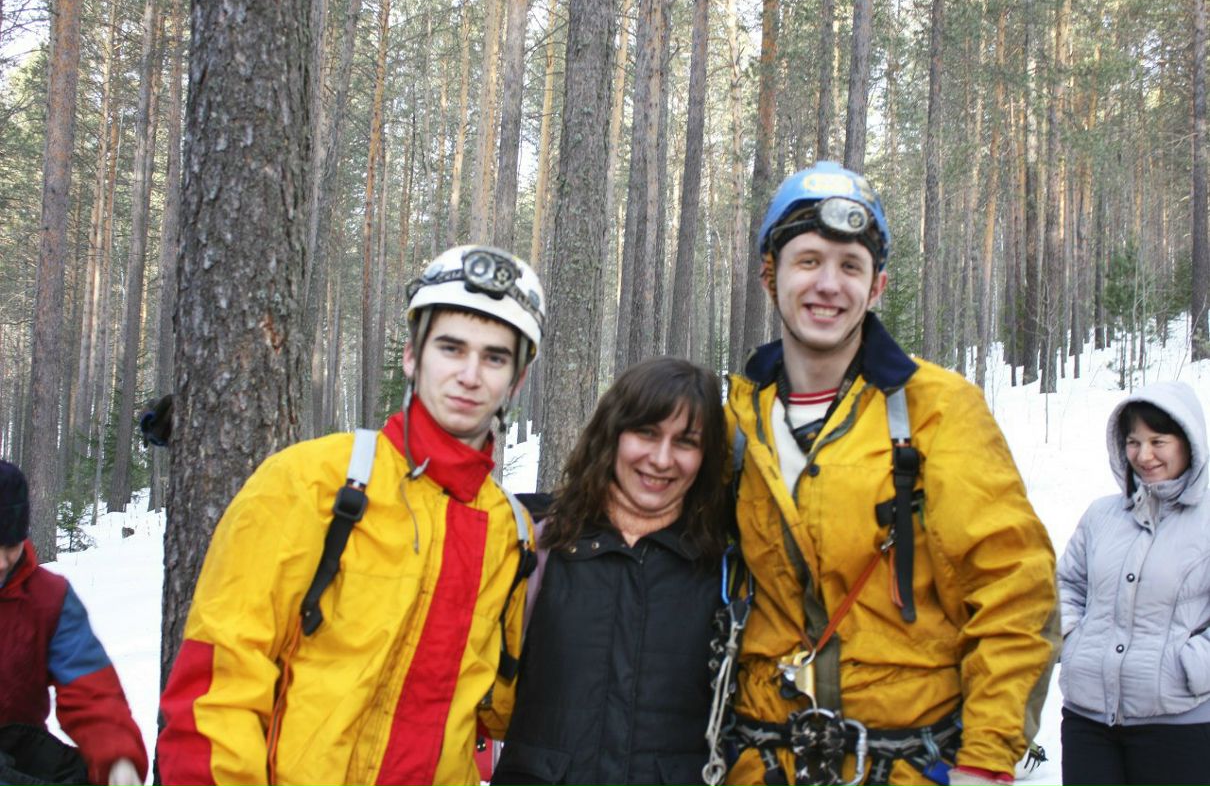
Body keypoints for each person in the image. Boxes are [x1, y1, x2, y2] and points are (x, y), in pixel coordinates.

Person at [157, 245, 545, 786]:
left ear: (516, 381)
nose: (470, 375)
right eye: (451, 348)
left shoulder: (512, 531)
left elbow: (498, 706)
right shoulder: (308, 481)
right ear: (413, 355)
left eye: (495, 357)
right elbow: (217, 685)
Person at [724, 161, 1059, 786]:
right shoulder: (738, 423)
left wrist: (986, 761)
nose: (829, 284)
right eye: (808, 261)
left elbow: (1015, 589)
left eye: (850, 266)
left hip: (903, 764)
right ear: (770, 276)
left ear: (877, 286)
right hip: (760, 762)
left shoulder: (936, 409)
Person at [490, 357, 731, 786]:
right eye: (647, 432)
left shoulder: (723, 570)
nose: (661, 459)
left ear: (707, 455)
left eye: (686, 442)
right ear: (613, 433)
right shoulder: (534, 544)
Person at [1057, 381, 1210, 786]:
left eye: (1158, 440)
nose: (1144, 455)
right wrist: (1073, 637)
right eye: (1133, 442)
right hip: (1087, 720)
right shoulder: (1102, 515)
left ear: (1188, 441)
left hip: (1179, 723)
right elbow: (1066, 586)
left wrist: (1192, 665)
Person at [0, 460, 147, 786]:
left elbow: (90, 692)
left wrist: (116, 758)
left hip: (18, 757)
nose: (1, 562)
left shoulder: (49, 599)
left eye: (9, 546)